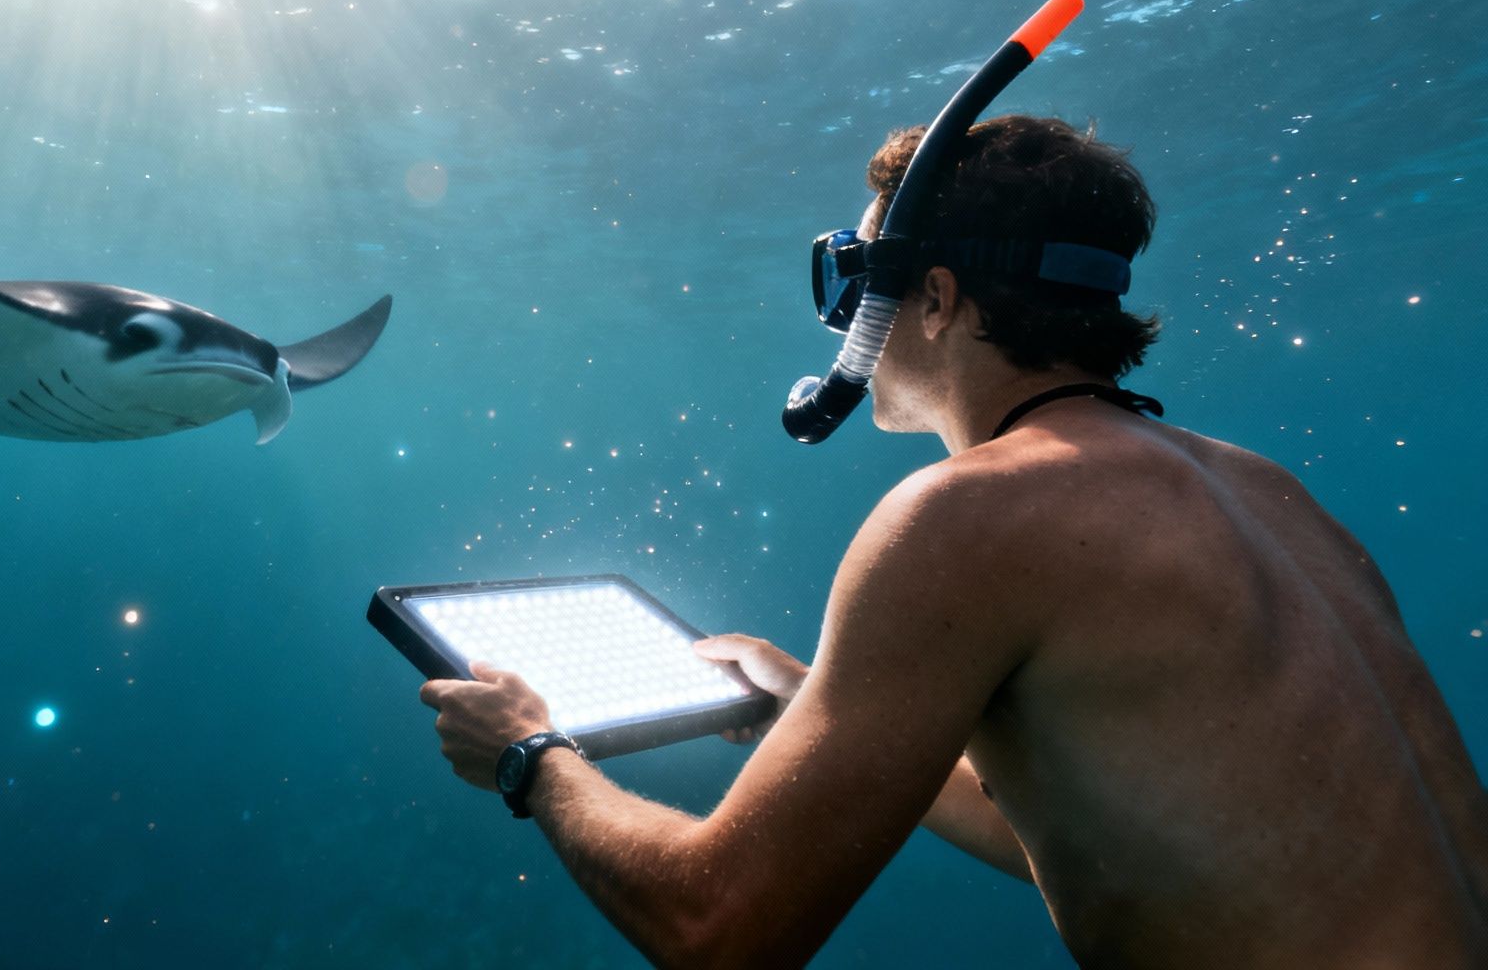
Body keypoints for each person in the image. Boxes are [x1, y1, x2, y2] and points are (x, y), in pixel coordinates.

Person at [420, 116, 1488, 968]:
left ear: (928, 298)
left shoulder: (970, 511)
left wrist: (530, 755)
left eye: (848, 275)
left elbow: (718, 932)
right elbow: (1118, 831)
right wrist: (810, 706)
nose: (840, 320)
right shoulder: (1268, 490)